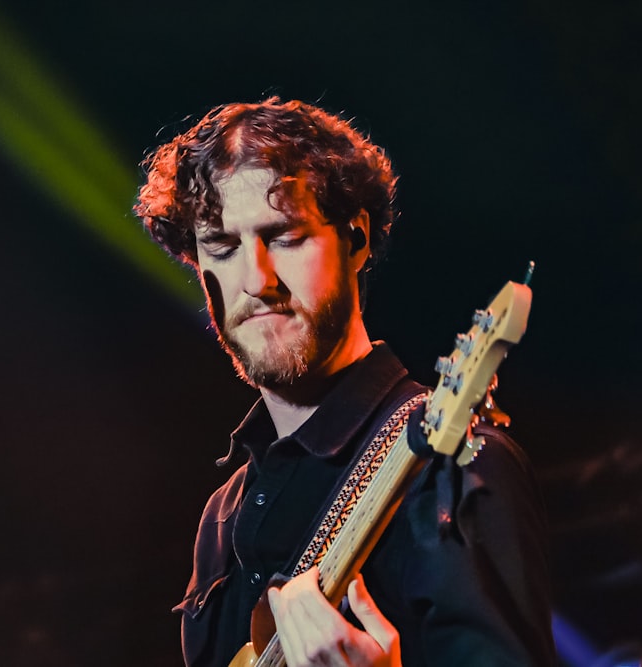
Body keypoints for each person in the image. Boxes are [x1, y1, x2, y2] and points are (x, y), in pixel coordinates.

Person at [134, 98, 555, 667]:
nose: (256, 280)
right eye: (224, 248)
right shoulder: (222, 517)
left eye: (283, 236)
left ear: (354, 241)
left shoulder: (453, 469)